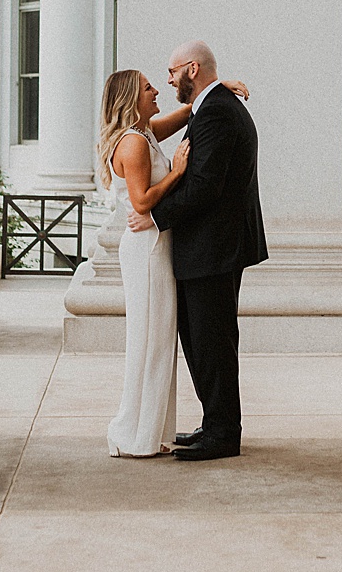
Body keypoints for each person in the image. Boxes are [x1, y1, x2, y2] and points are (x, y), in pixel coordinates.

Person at [97, 66, 248, 457]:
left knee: (162, 339)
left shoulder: (145, 132)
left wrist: (216, 88)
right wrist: (177, 172)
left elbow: (186, 112)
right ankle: (136, 431)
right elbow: (143, 201)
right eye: (149, 87)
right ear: (132, 98)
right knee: (149, 340)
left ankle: (155, 429)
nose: (157, 90)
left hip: (158, 247)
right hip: (146, 249)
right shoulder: (131, 143)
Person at [128, 40, 268, 461]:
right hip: (211, 246)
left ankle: (223, 433)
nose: (167, 81)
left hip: (214, 247)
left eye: (171, 73)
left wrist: (156, 217)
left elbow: (205, 185)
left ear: (191, 69)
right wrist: (217, 84)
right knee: (205, 340)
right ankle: (214, 422)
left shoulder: (219, 112)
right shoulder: (213, 106)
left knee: (213, 342)